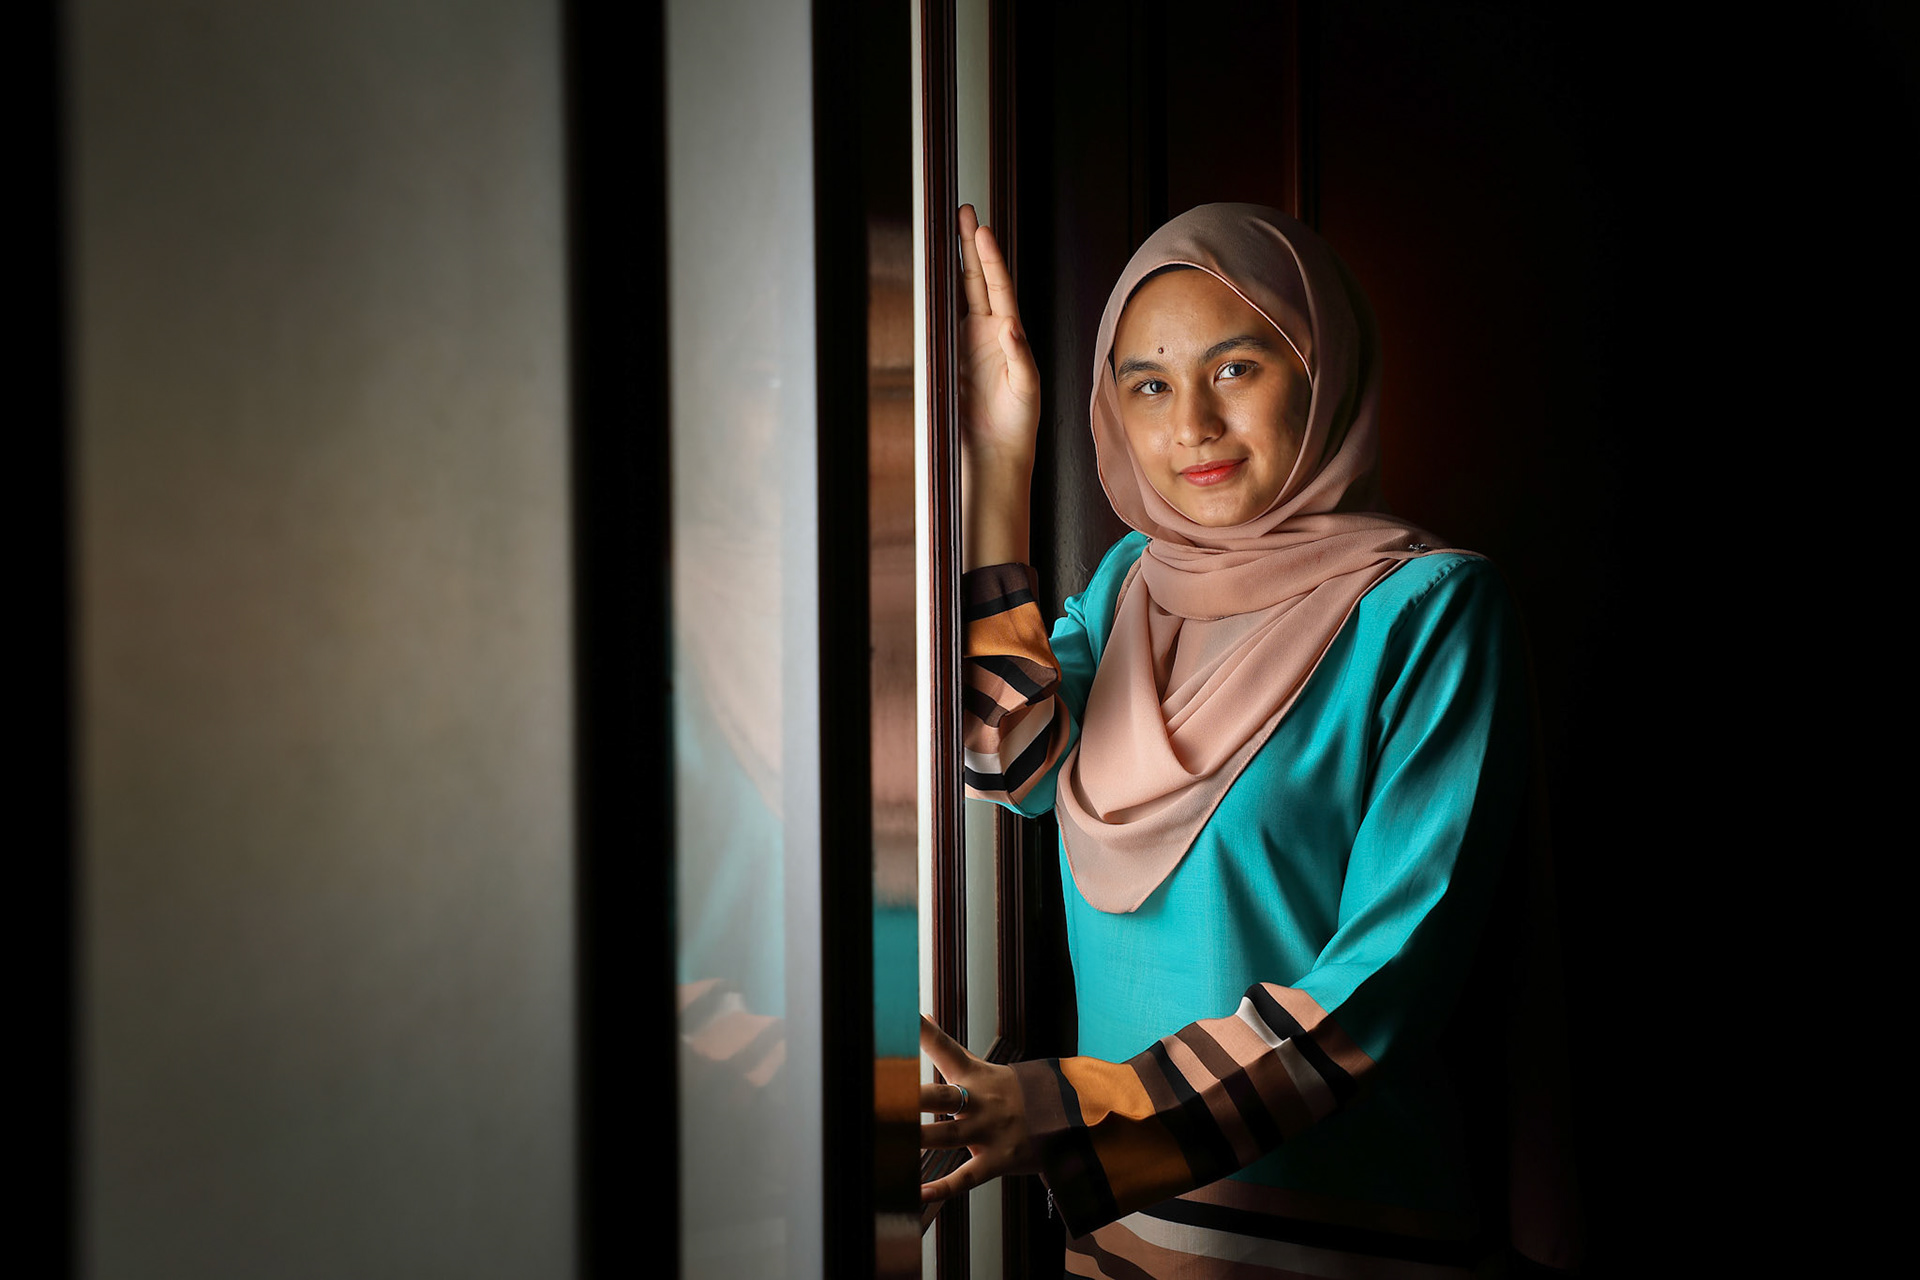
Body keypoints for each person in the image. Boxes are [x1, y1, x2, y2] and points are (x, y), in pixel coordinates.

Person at [919, 202, 1567, 1278]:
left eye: (1238, 367)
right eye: (1150, 384)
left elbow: (1383, 981)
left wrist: (1071, 1105)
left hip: (1337, 1239)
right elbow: (1006, 754)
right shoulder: (1132, 584)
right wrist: (999, 451)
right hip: (1118, 1233)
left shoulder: (1431, 607)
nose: (1192, 429)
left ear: (1323, 366)